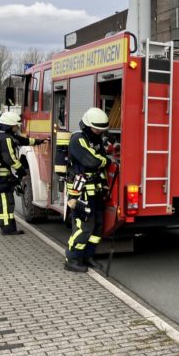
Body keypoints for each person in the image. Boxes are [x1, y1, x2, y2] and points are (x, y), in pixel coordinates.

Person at [0, 111, 46, 235]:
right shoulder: (6, 138)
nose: (17, 127)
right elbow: (10, 158)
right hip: (0, 176)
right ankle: (8, 228)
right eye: (16, 125)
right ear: (9, 125)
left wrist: (38, 142)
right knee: (5, 201)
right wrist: (21, 171)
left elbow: (22, 140)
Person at [64, 107, 110, 273]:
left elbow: (100, 166)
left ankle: (88, 257)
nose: (100, 132)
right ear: (88, 125)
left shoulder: (97, 139)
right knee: (83, 227)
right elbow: (92, 161)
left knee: (97, 226)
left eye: (102, 129)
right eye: (97, 129)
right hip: (81, 191)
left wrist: (104, 184)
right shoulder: (78, 139)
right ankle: (72, 259)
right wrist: (104, 160)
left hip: (96, 190)